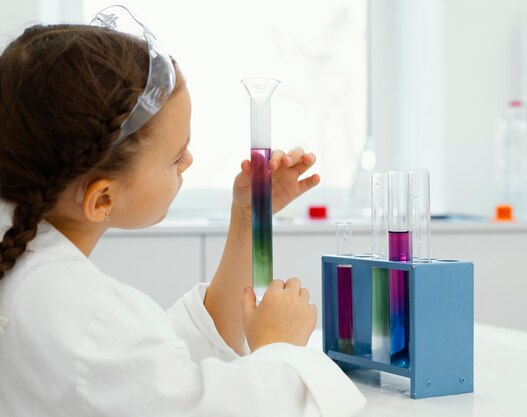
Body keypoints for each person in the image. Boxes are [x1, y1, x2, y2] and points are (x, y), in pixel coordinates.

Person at [0, 8, 365, 417]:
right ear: (102, 199)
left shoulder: (37, 276)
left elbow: (162, 363)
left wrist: (245, 219)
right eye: (175, 158)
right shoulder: (91, 320)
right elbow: (219, 406)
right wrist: (279, 348)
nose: (188, 161)